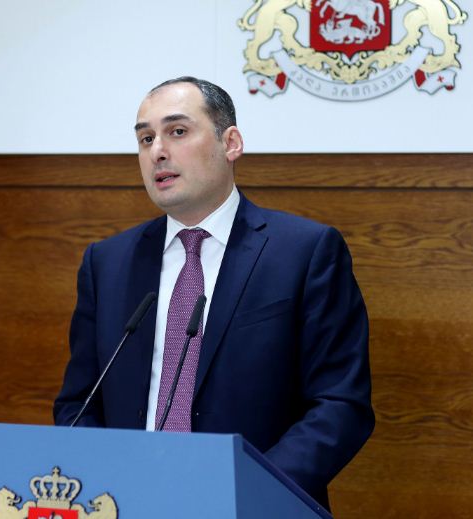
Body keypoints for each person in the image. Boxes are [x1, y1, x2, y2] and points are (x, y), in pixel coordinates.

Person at [54, 76, 374, 509]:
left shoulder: (304, 252)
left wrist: (245, 492)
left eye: (177, 131)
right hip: (128, 502)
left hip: (255, 506)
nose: (157, 151)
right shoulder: (107, 263)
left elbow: (340, 405)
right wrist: (111, 484)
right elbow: (78, 404)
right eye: (146, 139)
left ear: (231, 143)